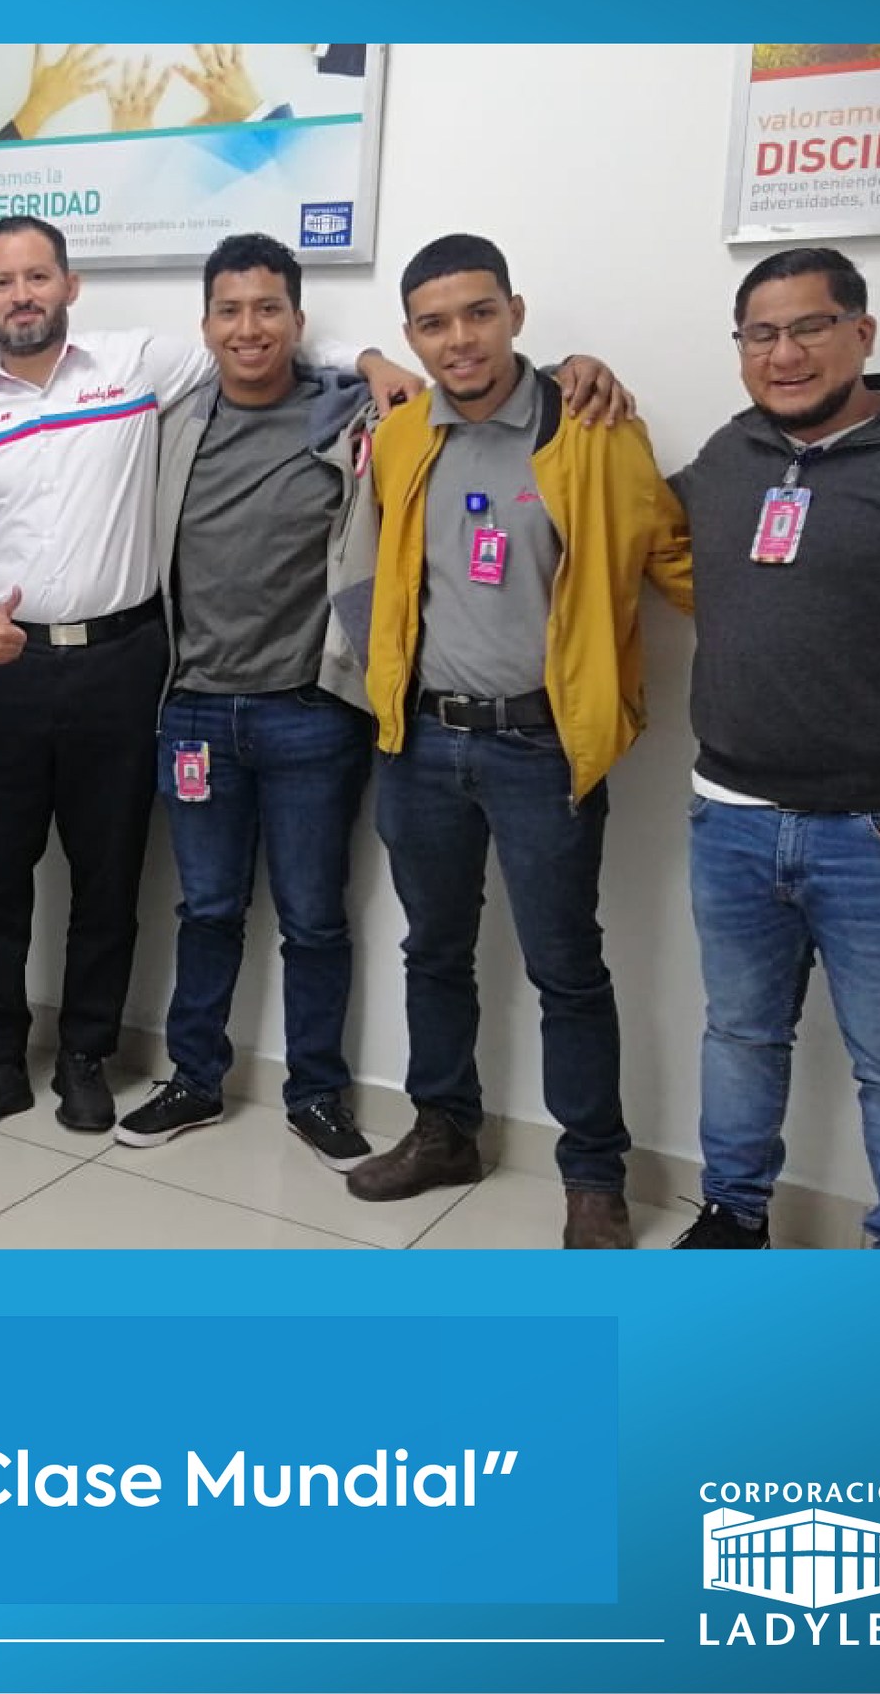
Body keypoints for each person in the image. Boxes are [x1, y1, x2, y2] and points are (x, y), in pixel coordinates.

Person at [0, 215, 414, 1142]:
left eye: (38, 276)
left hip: (121, 663)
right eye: (3, 282)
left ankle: (85, 1057)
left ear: (70, 285)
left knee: (109, 878)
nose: (22, 295)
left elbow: (262, 340)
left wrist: (375, 358)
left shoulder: (134, 367)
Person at [349, 234, 691, 1248]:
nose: (459, 339)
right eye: (433, 323)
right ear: (410, 334)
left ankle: (592, 1174)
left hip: (542, 748)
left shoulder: (593, 430)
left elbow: (676, 560)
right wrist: (365, 362)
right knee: (431, 951)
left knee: (565, 966)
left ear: (515, 313)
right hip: (419, 741)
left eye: (478, 313)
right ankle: (443, 1128)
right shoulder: (401, 435)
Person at [671, 247, 880, 1250]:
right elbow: (622, 510)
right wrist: (569, 378)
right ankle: (732, 1216)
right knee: (738, 1033)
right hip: (730, 820)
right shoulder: (727, 455)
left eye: (808, 326)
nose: (784, 354)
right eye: (760, 334)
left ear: (861, 331)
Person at [112, 234, 379, 1164]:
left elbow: (451, 379)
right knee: (209, 910)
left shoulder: (346, 415)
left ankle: (317, 1094)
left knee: (313, 918)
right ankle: (194, 1080)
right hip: (193, 711)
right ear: (205, 325)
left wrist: (373, 361)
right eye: (229, 310)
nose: (248, 327)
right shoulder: (175, 423)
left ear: (298, 320)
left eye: (268, 308)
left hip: (310, 711)